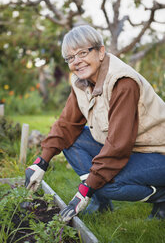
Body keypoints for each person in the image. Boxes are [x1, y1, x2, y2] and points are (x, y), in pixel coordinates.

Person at [25, 25, 165, 222]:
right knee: (70, 141)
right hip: (134, 149)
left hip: (158, 153)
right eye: (70, 58)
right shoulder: (81, 81)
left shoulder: (123, 82)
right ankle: (101, 202)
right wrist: (41, 162)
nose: (77, 61)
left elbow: (118, 146)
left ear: (101, 51)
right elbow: (66, 125)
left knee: (105, 183)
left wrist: (85, 189)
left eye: (83, 53)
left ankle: (162, 197)